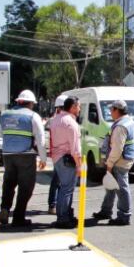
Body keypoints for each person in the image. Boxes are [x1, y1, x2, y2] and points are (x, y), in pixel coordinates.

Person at [0, 90, 48, 228]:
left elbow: (1, 134)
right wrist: (43, 159)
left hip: (7, 154)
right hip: (26, 155)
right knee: (26, 186)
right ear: (30, 103)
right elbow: (40, 139)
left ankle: (5, 208)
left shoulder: (4, 115)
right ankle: (18, 217)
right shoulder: (33, 116)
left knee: (8, 183)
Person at [93, 99, 134, 226]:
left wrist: (110, 164)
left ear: (117, 110)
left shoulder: (120, 126)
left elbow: (117, 148)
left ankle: (124, 216)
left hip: (119, 161)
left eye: (111, 109)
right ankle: (106, 211)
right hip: (124, 159)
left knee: (121, 189)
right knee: (110, 186)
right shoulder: (129, 121)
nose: (110, 112)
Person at [49, 96, 82, 228]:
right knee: (67, 189)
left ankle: (65, 216)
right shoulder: (71, 123)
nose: (79, 109)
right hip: (67, 158)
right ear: (73, 107)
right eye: (79, 106)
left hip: (57, 158)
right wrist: (79, 165)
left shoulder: (55, 120)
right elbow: (75, 148)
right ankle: (63, 218)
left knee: (64, 188)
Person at [47, 94, 68, 216]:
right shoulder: (56, 120)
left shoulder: (54, 120)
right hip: (60, 154)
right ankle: (53, 204)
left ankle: (55, 203)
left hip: (58, 154)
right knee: (57, 180)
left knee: (59, 180)